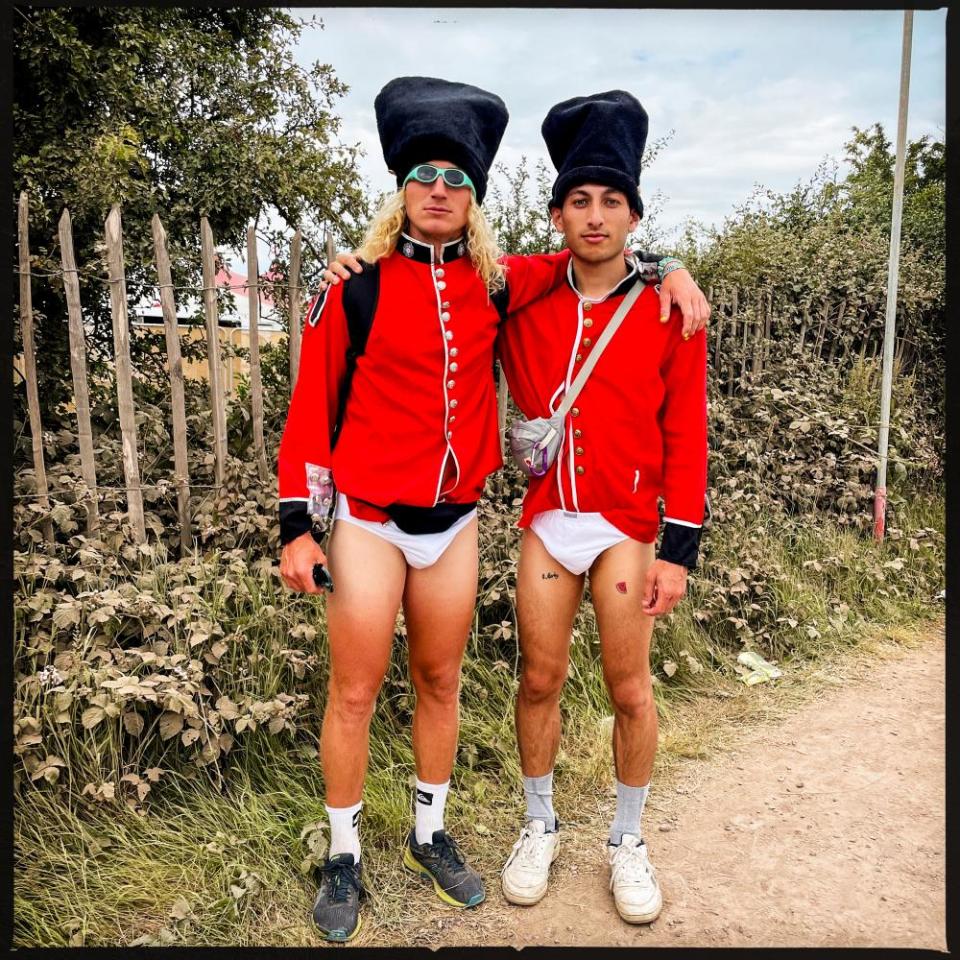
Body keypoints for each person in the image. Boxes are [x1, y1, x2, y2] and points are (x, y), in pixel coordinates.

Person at [284, 76, 707, 942]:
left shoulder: (498, 282)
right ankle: (342, 855)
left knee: (440, 682)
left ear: (474, 194)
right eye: (424, 174)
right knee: (356, 692)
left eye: (458, 178)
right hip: (368, 518)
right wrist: (297, 523)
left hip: (459, 522)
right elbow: (308, 410)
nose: (440, 189)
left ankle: (430, 834)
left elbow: (596, 258)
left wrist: (672, 266)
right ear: (402, 187)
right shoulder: (354, 288)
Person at [495, 90, 708, 926]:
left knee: (628, 686)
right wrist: (355, 264)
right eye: (578, 200)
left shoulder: (667, 308)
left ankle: (626, 839)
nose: (594, 216)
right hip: (549, 519)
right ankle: (538, 823)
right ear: (557, 214)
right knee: (539, 677)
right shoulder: (524, 298)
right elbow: (444, 269)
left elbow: (686, 435)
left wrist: (678, 552)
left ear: (633, 214)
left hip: (625, 525)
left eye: (611, 201)